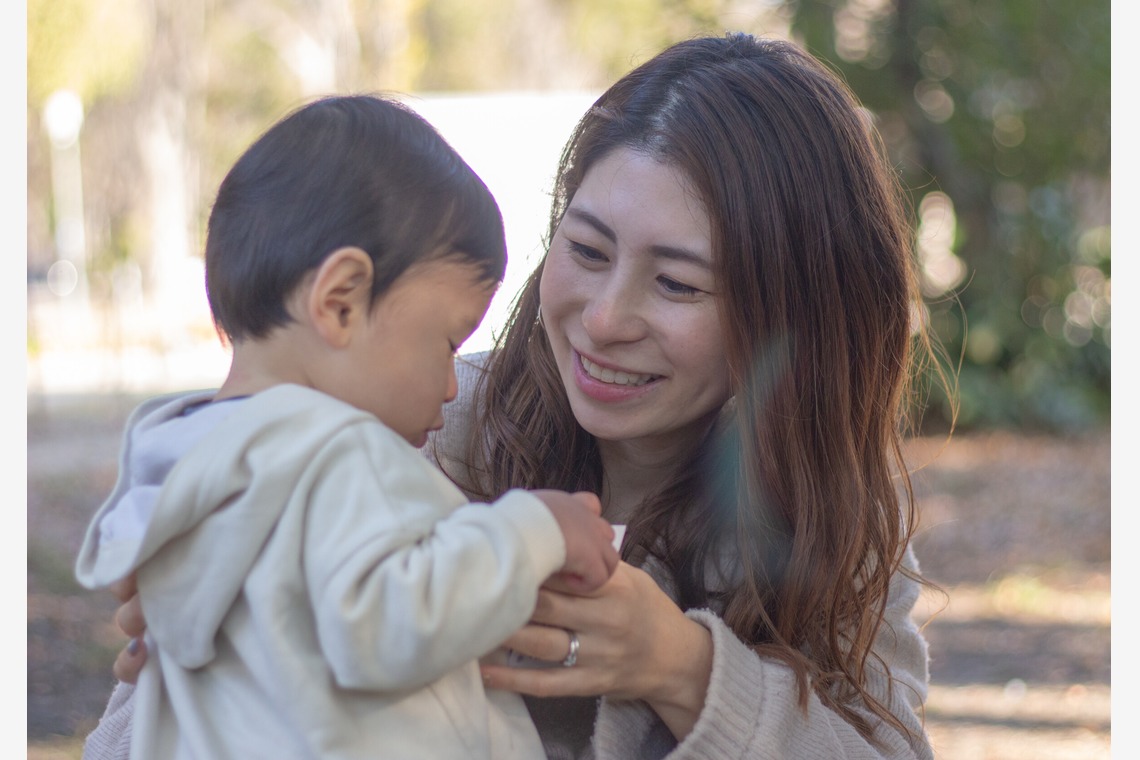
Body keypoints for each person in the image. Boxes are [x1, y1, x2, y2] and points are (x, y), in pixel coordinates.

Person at [85, 32, 942, 759]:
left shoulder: (827, 510)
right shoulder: (413, 418)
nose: (604, 320)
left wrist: (681, 669)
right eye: (589, 250)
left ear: (790, 315)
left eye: (678, 284)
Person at [73, 94, 620, 760]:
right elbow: (392, 621)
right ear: (340, 303)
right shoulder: (336, 455)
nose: (453, 384)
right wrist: (536, 529)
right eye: (448, 342)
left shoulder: (183, 461)